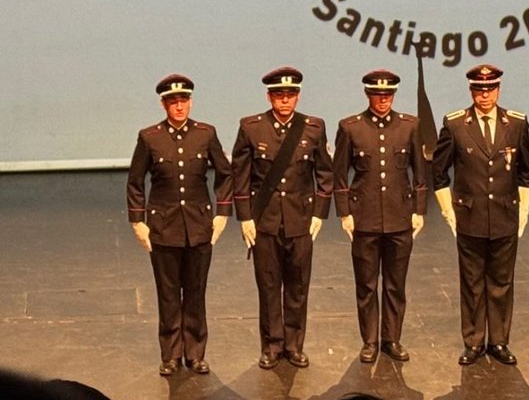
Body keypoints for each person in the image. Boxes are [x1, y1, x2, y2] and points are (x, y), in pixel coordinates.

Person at [127, 73, 232, 376]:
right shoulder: (150, 137)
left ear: (190, 101)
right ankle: (171, 353)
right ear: (163, 104)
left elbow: (225, 174)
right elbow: (135, 181)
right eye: (172, 102)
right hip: (163, 227)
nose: (178, 106)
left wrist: (222, 212)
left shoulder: (205, 133)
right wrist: (138, 221)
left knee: (196, 292)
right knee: (169, 293)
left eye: (183, 100)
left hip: (199, 226)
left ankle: (195, 353)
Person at [432, 63, 529, 366]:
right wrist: (450, 212)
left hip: (504, 215)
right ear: (471, 91)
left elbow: (526, 172)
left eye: (490, 89)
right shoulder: (455, 124)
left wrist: (524, 211)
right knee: (473, 282)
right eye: (479, 89)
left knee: (502, 282)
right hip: (470, 216)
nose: (485, 95)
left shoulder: (515, 124)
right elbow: (439, 172)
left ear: (498, 90)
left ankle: (499, 341)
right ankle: (474, 341)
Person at [231, 66, 333, 369]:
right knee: (269, 285)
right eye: (278, 95)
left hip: (300, 220)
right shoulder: (251, 127)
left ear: (298, 97)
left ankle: (294, 344)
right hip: (266, 221)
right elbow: (241, 176)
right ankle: (272, 345)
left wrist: (319, 214)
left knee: (298, 286)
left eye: (289, 95)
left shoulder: (313, 127)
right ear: (269, 96)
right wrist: (245, 218)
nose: (284, 101)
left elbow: (325, 172)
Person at [333, 69, 427, 363]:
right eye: (377, 95)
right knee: (367, 284)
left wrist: (419, 210)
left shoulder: (410, 126)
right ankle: (370, 341)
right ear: (367, 95)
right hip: (365, 218)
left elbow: (420, 174)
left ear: (393, 96)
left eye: (387, 95)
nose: (382, 100)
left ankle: (392, 339)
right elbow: (339, 174)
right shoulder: (351, 128)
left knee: (395, 284)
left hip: (400, 217)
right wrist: (345, 212)